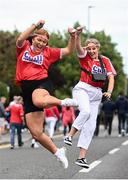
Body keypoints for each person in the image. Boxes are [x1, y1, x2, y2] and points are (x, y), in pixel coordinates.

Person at [15, 19, 78, 169]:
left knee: (39, 100)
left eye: (44, 41)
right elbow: (19, 38)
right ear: (33, 38)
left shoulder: (49, 52)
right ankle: (58, 152)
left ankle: (64, 102)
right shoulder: (23, 47)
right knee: (36, 133)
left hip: (41, 83)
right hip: (26, 88)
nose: (41, 43)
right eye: (39, 39)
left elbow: (69, 50)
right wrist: (35, 26)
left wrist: (73, 37)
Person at [64, 26, 116, 168]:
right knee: (85, 111)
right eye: (90, 48)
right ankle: (69, 135)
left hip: (97, 93)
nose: (92, 51)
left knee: (91, 126)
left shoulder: (105, 60)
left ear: (98, 48)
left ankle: (81, 157)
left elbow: (111, 78)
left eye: (94, 48)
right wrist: (78, 36)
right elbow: (78, 48)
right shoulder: (84, 56)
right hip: (83, 89)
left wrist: (109, 92)